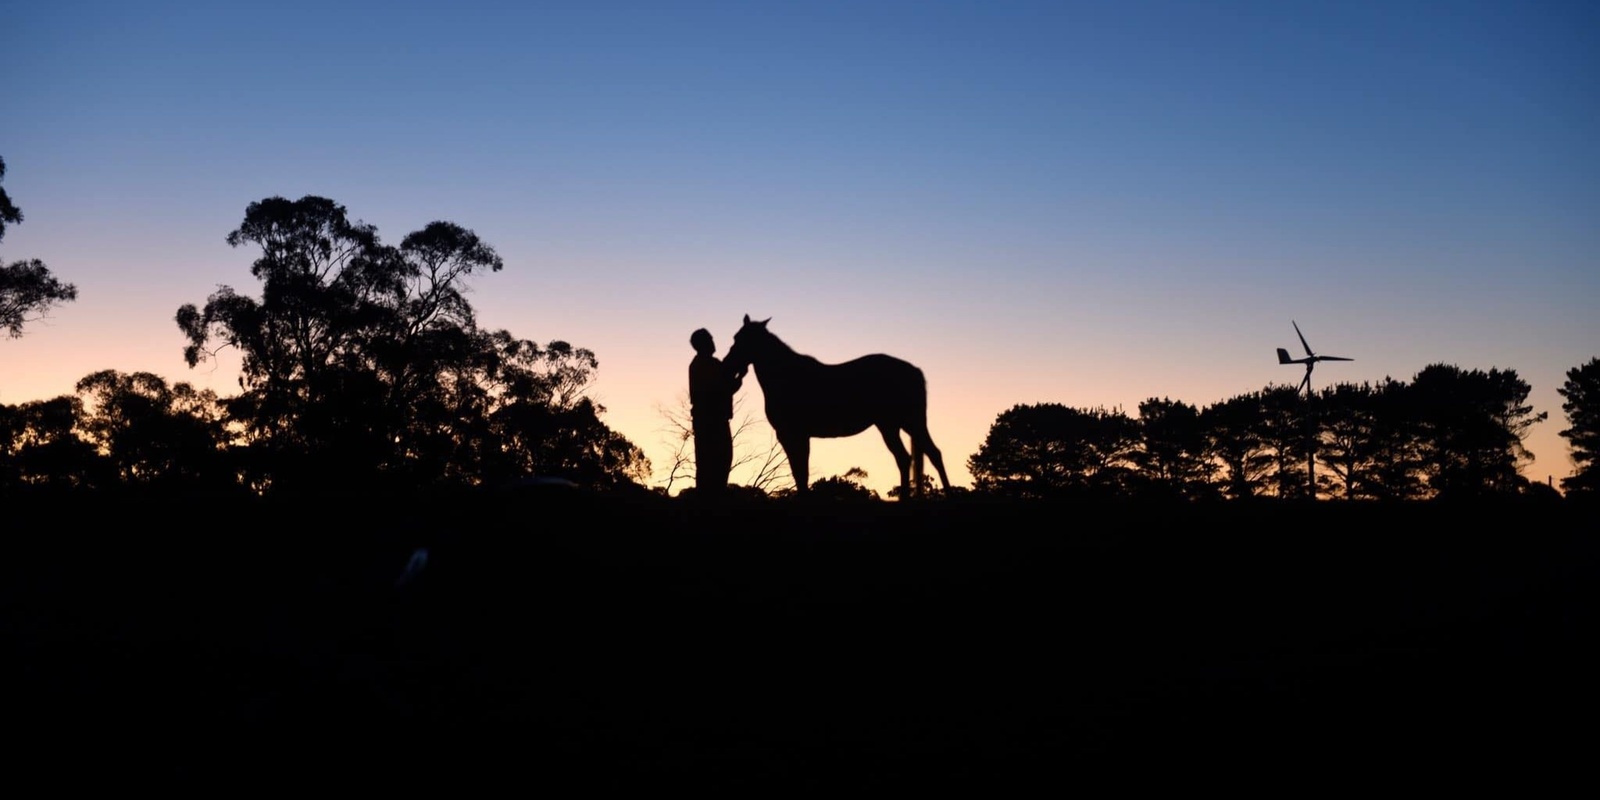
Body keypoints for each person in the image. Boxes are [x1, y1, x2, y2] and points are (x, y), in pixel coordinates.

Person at [689, 327, 741, 493]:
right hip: (710, 422)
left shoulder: (709, 364)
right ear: (702, 344)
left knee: (719, 464)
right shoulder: (702, 365)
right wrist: (736, 381)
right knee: (712, 466)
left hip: (713, 420)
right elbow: (721, 388)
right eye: (710, 339)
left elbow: (726, 383)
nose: (713, 342)